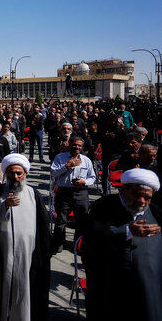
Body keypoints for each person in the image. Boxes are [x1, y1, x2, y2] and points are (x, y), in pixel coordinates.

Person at [83, 168, 162, 320]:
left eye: (147, 197)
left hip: (148, 287)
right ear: (124, 189)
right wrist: (127, 232)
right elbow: (91, 240)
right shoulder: (103, 207)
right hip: (111, 285)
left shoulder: (156, 212)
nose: (142, 201)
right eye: (137, 194)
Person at [0, 153, 51, 321]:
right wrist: (4, 206)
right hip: (2, 252)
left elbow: (43, 225)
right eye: (12, 173)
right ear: (6, 174)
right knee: (3, 286)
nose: (16, 177)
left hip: (28, 252)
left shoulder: (34, 194)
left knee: (25, 286)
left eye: (19, 173)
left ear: (25, 174)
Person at [49, 136, 95, 254]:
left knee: (82, 220)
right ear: (70, 144)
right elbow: (53, 173)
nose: (77, 147)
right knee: (60, 221)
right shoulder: (60, 157)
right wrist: (67, 166)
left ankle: (77, 244)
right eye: (75, 145)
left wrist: (84, 182)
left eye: (79, 145)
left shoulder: (86, 160)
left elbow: (92, 177)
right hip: (64, 192)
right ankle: (59, 243)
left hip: (81, 192)